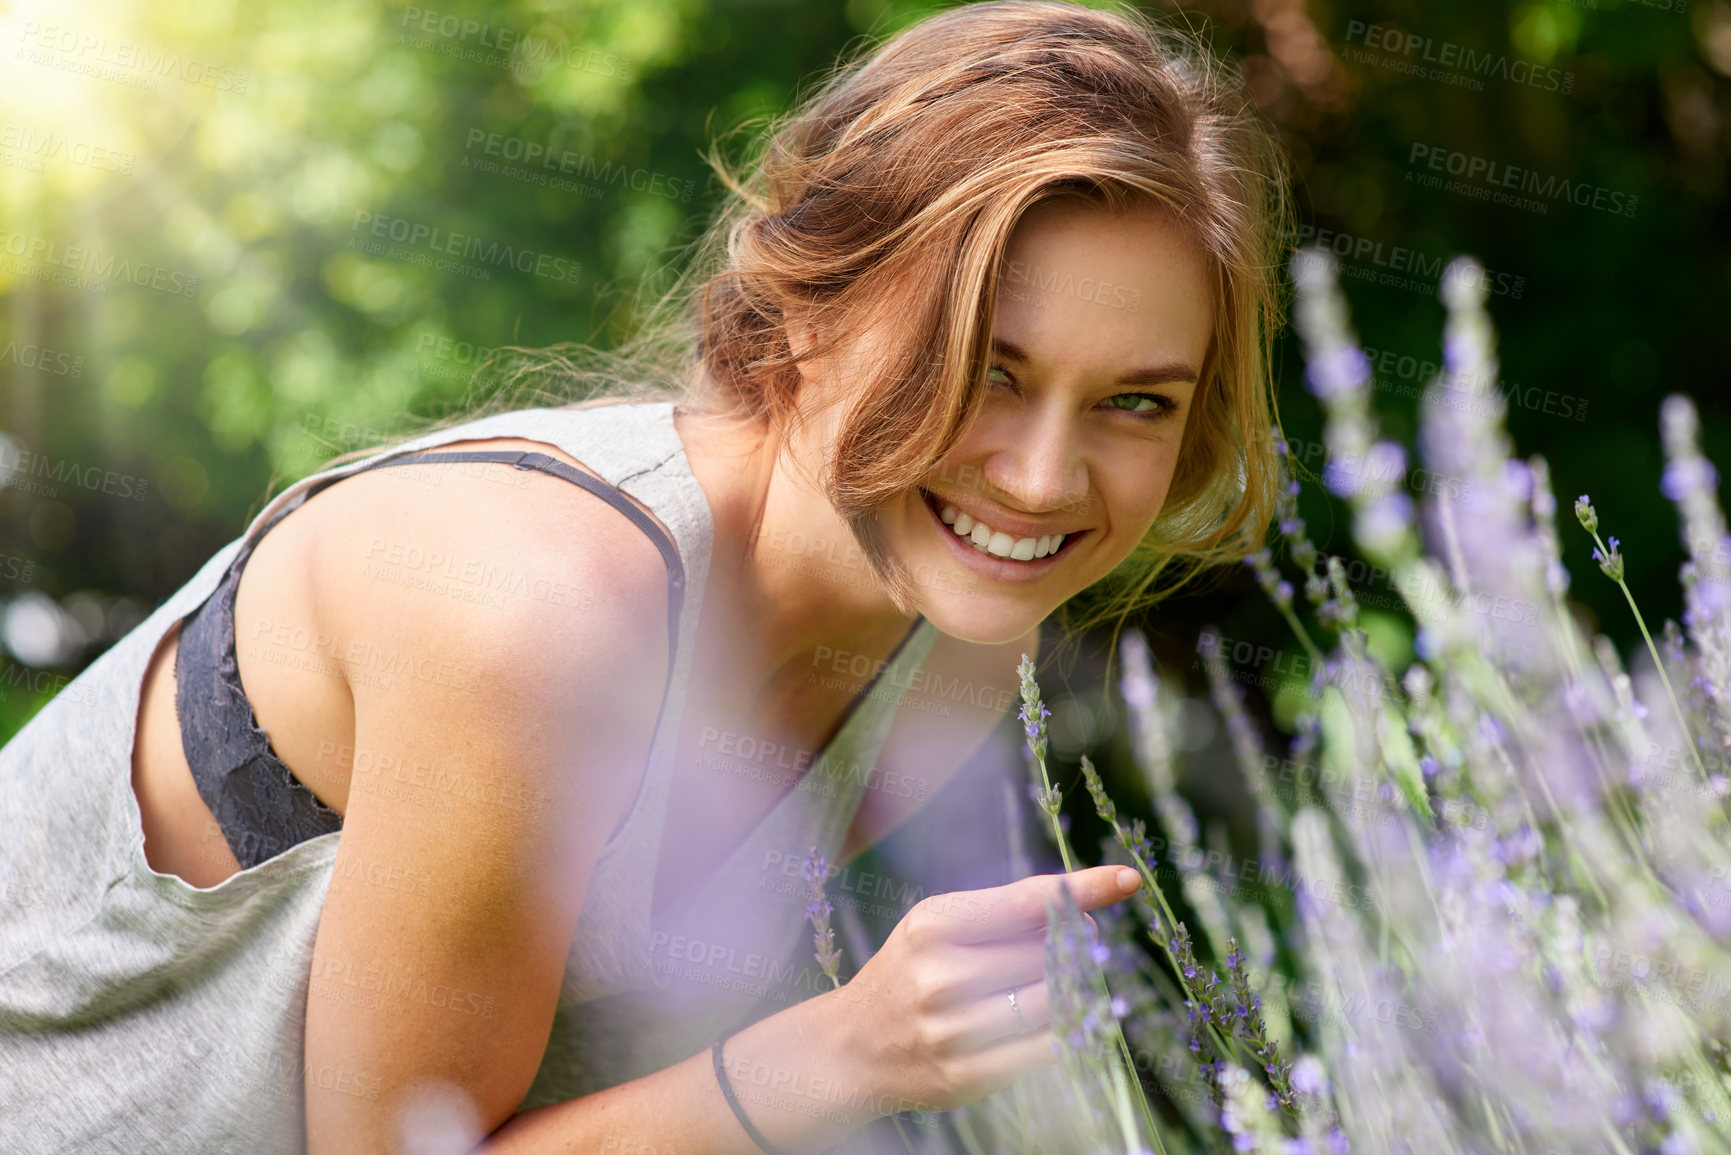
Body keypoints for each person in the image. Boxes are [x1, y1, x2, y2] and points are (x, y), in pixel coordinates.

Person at [0, 1, 1288, 1151]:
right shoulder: (533, 613)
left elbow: (620, 1070)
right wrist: (843, 1053)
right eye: (988, 368)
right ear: (813, 303)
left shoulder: (953, 630)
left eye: (1134, 402)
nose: (1047, 480)